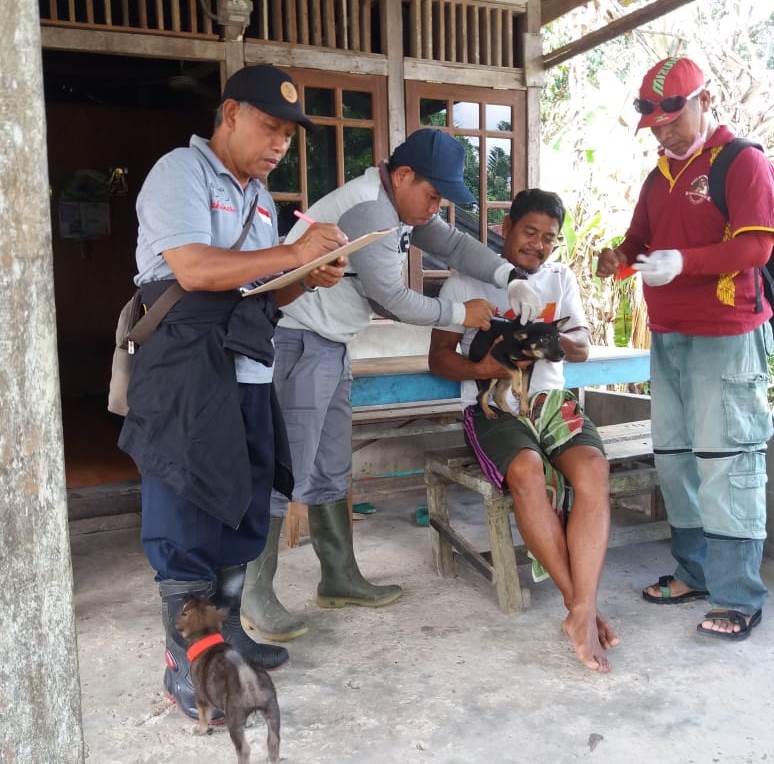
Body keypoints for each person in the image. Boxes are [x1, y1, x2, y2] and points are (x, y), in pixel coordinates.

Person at [240, 128, 544, 642]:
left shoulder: (399, 206)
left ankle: (338, 576)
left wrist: (507, 275)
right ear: (402, 176)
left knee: (332, 462)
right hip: (296, 337)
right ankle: (254, 593)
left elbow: (451, 242)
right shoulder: (370, 211)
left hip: (330, 342)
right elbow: (393, 298)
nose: (435, 207)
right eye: (432, 195)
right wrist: (461, 312)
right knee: (283, 467)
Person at [118, 64, 349, 720]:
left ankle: (229, 632)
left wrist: (309, 275)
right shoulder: (179, 174)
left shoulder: (258, 199)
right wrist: (288, 254)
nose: (279, 144)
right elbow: (193, 269)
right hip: (186, 369)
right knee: (186, 502)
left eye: (287, 135)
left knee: (242, 501)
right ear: (228, 116)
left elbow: (262, 288)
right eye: (268, 127)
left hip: (244, 365)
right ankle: (188, 661)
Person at [596, 57, 774, 640]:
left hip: (724, 335)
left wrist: (687, 263)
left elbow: (755, 247)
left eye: (673, 117)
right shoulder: (657, 178)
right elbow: (638, 240)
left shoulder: (740, 162)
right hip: (668, 336)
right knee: (675, 459)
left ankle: (739, 594)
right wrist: (618, 259)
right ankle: (694, 571)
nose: (665, 131)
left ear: (704, 100)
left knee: (727, 461)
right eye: (656, 124)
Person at [428, 189, 618, 672]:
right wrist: (485, 367)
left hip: (551, 402)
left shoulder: (560, 278)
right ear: (506, 226)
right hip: (494, 406)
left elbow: (582, 345)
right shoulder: (465, 281)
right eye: (529, 232)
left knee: (593, 469)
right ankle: (579, 604)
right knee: (528, 471)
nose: (538, 245)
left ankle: (581, 608)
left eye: (549, 238)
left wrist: (559, 342)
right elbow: (439, 358)